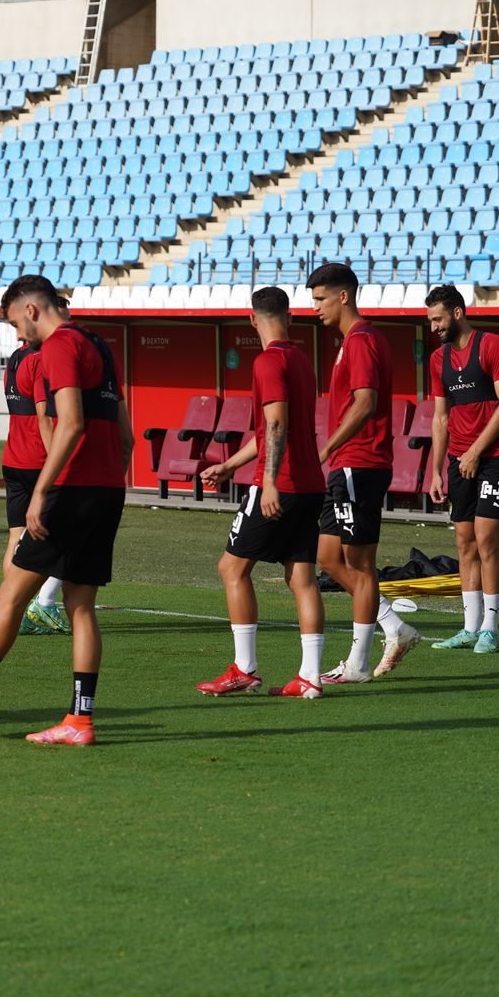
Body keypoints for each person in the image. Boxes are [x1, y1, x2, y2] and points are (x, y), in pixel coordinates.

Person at [0, 275, 132, 747]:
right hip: (107, 488)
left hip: (69, 490)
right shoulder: (100, 345)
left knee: (12, 593)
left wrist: (42, 491)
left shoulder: (56, 348)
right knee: (81, 607)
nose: (16, 334)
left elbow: (68, 423)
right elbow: (126, 432)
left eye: (15, 322)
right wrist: (111, 479)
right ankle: (79, 720)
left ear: (32, 310)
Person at [197, 287, 328, 699]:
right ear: (289, 317)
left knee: (231, 569)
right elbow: (269, 428)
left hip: (281, 483)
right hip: (310, 484)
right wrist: (229, 465)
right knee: (302, 578)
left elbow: (275, 426)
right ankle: (310, 677)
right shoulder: (301, 360)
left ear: (252, 319)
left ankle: (245, 669)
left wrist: (268, 481)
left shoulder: (268, 361)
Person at [309, 263, 420, 684]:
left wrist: (327, 447)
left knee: (360, 563)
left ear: (343, 296)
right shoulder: (350, 341)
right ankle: (394, 627)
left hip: (360, 461)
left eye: (320, 299)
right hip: (346, 464)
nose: (315, 308)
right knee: (327, 557)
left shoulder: (361, 340)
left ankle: (358, 664)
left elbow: (365, 402)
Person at [424, 284, 499, 657]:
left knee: (485, 539)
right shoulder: (437, 360)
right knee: (463, 542)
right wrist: (434, 471)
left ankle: (491, 629)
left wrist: (476, 452)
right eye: (430, 320)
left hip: (495, 456)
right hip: (458, 460)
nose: (433, 326)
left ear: (458, 313)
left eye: (438, 318)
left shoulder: (491, 344)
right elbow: (440, 418)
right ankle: (468, 627)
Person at [2, 326, 67, 636]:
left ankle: (10, 607)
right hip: (38, 460)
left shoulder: (14, 358)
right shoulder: (40, 360)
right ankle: (43, 602)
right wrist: (58, 459)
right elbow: (43, 416)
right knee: (71, 536)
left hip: (12, 458)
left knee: (16, 536)